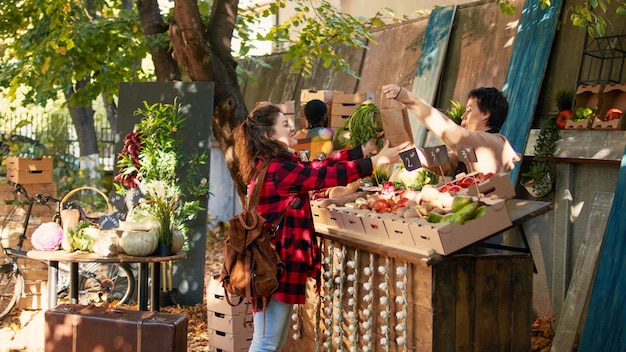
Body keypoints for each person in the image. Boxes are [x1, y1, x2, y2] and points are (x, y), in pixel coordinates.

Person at [233, 104, 407, 352]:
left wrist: (363, 151)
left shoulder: (277, 163)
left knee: (274, 342)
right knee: (265, 344)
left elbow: (317, 167)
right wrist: (374, 161)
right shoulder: (277, 169)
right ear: (268, 136)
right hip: (273, 268)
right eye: (284, 125)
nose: (292, 128)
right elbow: (321, 177)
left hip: (277, 266)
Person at [382, 84, 520, 176]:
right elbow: (444, 162)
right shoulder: (474, 146)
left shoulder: (491, 143)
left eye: (469, 110)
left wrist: (405, 96)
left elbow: (446, 129)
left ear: (485, 114)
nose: (463, 116)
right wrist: (405, 154)